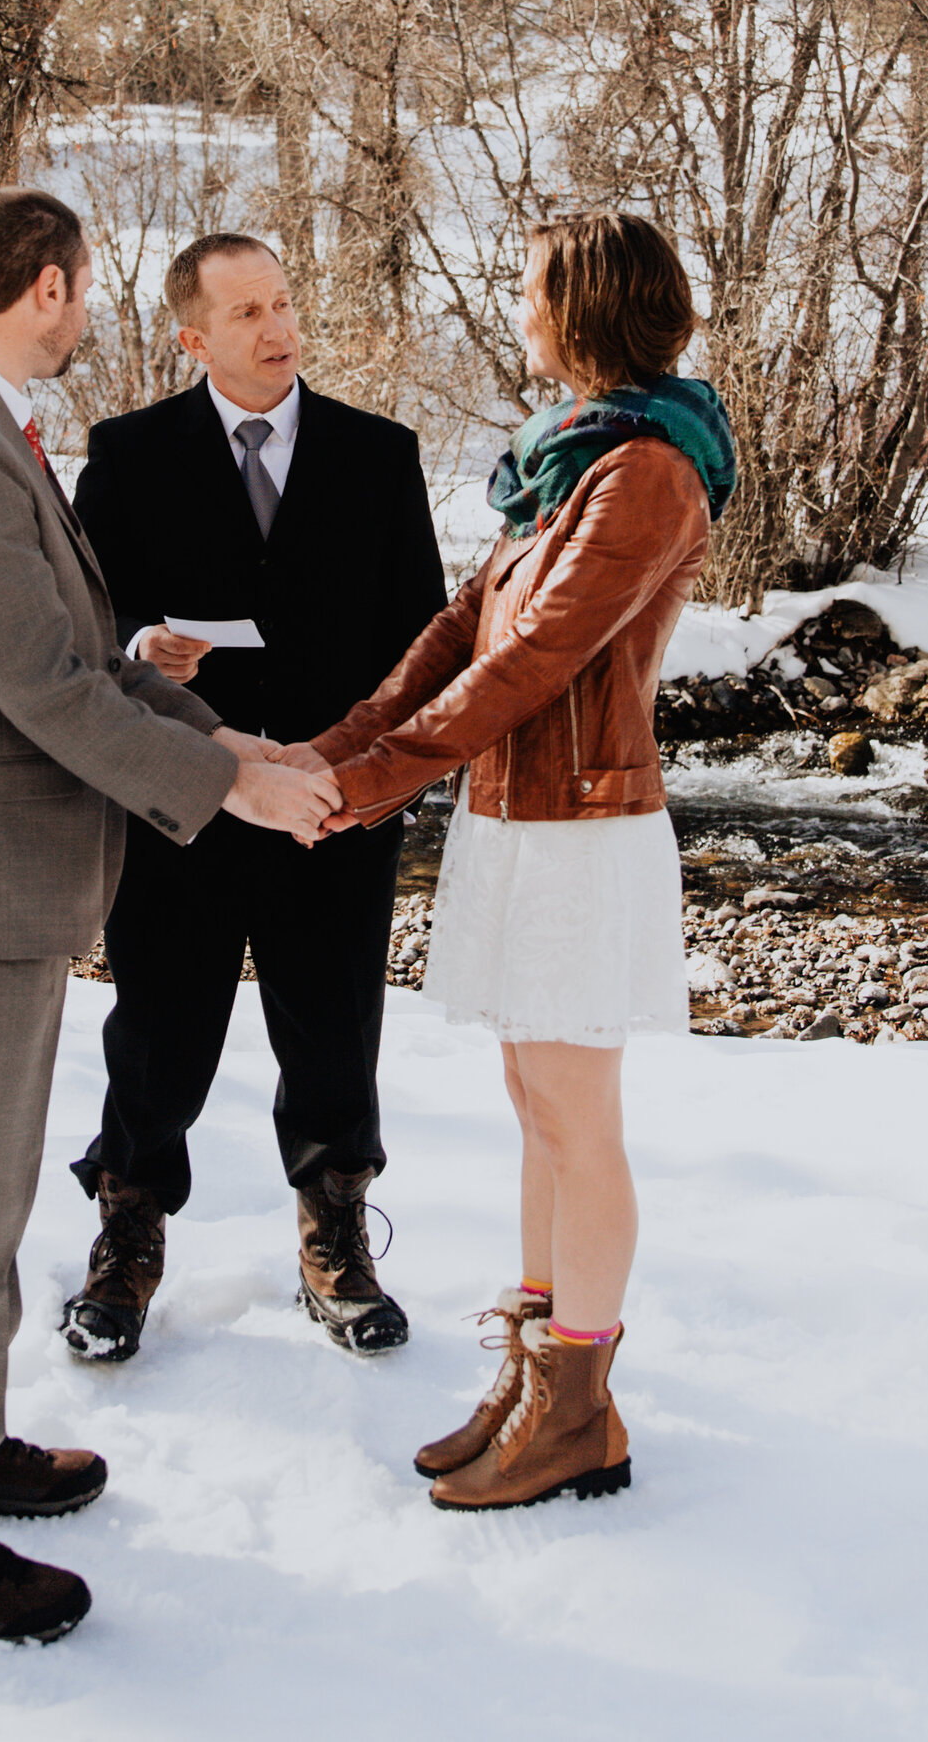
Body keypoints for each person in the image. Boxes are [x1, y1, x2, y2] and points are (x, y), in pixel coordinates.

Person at [0, 186, 335, 1651]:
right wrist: (226, 792)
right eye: (85, 293)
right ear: (46, 288)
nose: (88, 318)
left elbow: (82, 658)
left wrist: (233, 744)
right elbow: (42, 694)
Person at [298, 211, 734, 1512]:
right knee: (537, 1109)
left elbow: (534, 659)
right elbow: (457, 631)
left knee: (579, 1120)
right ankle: (537, 1371)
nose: (515, 304)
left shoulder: (648, 468)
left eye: (528, 286)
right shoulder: (564, 458)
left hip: (585, 835)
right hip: (517, 818)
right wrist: (331, 752)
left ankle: (578, 1406)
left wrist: (369, 786)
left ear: (585, 307)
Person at [61, 233, 447, 1361]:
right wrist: (144, 641)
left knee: (334, 1030)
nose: (277, 327)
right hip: (182, 801)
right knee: (158, 1031)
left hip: (334, 804)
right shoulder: (127, 454)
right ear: (193, 336)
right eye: (246, 313)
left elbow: (420, 642)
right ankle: (127, 1238)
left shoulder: (381, 454)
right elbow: (91, 622)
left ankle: (335, 1239)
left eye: (282, 302)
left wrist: (375, 784)